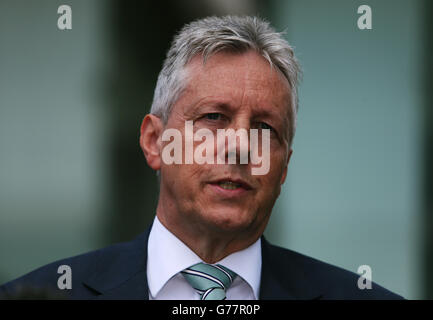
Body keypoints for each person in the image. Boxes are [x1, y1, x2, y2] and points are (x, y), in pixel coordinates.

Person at [0, 15, 402, 300]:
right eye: (214, 117)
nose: (241, 146)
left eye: (265, 128)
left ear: (283, 168)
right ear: (154, 142)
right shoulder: (47, 294)